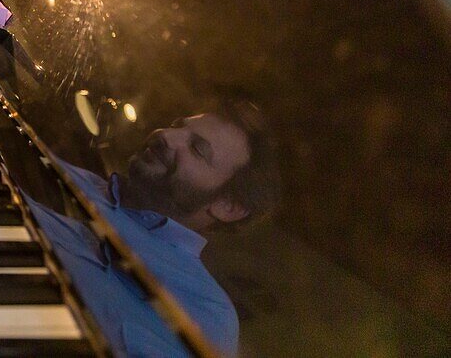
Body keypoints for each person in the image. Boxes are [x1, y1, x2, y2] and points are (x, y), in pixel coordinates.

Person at [28, 95, 280, 357]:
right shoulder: (68, 174)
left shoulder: (208, 313)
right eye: (178, 125)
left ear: (229, 206)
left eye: (197, 149)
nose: (167, 136)